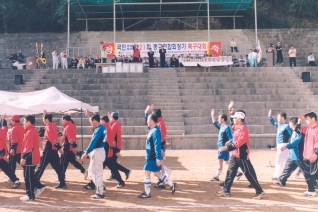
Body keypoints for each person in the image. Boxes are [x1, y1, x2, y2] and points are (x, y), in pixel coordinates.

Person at [216, 111, 265, 199]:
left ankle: (260, 191)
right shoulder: (238, 127)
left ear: (239, 119)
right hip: (235, 155)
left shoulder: (244, 130)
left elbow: (236, 145)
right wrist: (231, 112)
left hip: (242, 155)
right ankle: (226, 190)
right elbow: (232, 124)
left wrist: (226, 148)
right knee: (230, 173)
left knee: (249, 173)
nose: (233, 119)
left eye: (235, 118)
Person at [138, 113, 177, 198]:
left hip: (151, 155)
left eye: (148, 119)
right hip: (152, 155)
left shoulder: (155, 131)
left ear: (152, 121)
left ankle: (147, 193)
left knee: (147, 173)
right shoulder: (153, 129)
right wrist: (146, 112)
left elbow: (157, 145)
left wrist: (158, 158)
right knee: (156, 173)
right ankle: (172, 184)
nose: (147, 121)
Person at [34, 110, 66, 189]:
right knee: (57, 167)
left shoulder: (49, 127)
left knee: (41, 166)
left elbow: (52, 138)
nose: (43, 120)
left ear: (47, 119)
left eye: (44, 119)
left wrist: (59, 148)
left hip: (49, 148)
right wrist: (58, 147)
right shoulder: (53, 125)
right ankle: (62, 182)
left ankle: (34, 182)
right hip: (53, 149)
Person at [273, 117, 304, 187]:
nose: (289, 124)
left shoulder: (299, 132)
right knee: (287, 169)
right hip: (292, 155)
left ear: (293, 123)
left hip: (299, 156)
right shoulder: (293, 132)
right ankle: (282, 180)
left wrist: (286, 146)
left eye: (290, 122)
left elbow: (295, 142)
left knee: (307, 172)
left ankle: (313, 184)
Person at [81, 114, 106, 199]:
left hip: (97, 152)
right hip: (100, 151)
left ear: (95, 120)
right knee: (92, 171)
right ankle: (100, 186)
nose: (91, 123)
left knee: (95, 173)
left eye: (91, 121)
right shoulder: (102, 128)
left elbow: (93, 142)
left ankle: (100, 192)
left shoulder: (98, 129)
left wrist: (86, 153)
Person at [19, 115, 44, 201]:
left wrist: (24, 157)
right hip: (32, 157)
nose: (23, 123)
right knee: (30, 176)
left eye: (24, 121)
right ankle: (39, 187)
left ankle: (30, 195)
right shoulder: (31, 130)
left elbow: (29, 147)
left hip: (30, 157)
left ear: (29, 122)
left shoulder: (30, 131)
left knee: (27, 177)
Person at [60, 115, 87, 180]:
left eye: (63, 119)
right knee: (72, 162)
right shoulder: (71, 125)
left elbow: (70, 138)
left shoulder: (68, 127)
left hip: (67, 147)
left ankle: (62, 177)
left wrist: (73, 147)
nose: (62, 121)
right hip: (69, 147)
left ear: (65, 120)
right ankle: (83, 170)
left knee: (63, 163)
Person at [107, 112, 131, 188]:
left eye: (110, 117)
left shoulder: (114, 125)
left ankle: (125, 171)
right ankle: (115, 175)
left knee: (112, 163)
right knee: (112, 163)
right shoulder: (116, 124)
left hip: (115, 147)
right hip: (117, 146)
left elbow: (111, 136)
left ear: (112, 118)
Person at [297, 112, 318, 196]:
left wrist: (316, 153)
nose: (306, 121)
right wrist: (299, 121)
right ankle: (311, 189)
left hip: (313, 156)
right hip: (306, 155)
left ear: (313, 119)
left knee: (313, 174)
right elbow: (297, 130)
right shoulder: (308, 128)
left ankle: (311, 189)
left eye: (307, 119)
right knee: (309, 174)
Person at [268, 109, 292, 180]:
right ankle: (297, 170)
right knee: (285, 160)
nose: (277, 118)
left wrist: (290, 145)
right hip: (279, 144)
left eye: (278, 117)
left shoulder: (286, 126)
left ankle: (277, 175)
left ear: (282, 117)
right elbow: (274, 122)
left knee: (279, 160)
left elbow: (292, 135)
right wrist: (270, 116)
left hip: (284, 144)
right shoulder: (279, 124)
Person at [210, 109, 233, 182]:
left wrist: (226, 146)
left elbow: (231, 138)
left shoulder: (226, 127)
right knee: (226, 161)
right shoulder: (221, 126)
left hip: (223, 148)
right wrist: (212, 115)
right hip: (222, 147)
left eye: (219, 118)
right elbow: (214, 122)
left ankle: (217, 176)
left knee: (220, 162)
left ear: (223, 119)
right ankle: (237, 172)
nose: (218, 119)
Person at [153, 109, 172, 189]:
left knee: (160, 163)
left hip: (160, 146)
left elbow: (161, 137)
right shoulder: (160, 122)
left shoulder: (160, 123)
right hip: (161, 145)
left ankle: (162, 181)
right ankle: (162, 179)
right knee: (160, 163)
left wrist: (161, 149)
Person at [0, 118, 21, 189]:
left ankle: (16, 181)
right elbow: (5, 126)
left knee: (7, 170)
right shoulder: (3, 130)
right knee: (7, 170)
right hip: (2, 154)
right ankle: (16, 181)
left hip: (1, 154)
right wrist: (3, 118)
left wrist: (2, 154)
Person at [5, 115, 24, 183]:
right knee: (20, 163)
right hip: (20, 149)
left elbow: (14, 140)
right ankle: (31, 173)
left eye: (11, 120)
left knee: (12, 164)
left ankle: (11, 177)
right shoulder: (22, 127)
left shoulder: (14, 128)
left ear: (13, 120)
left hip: (15, 149)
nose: (11, 121)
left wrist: (12, 148)